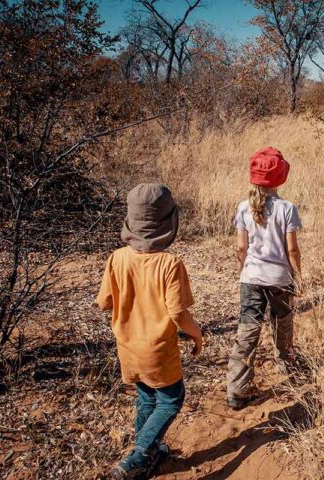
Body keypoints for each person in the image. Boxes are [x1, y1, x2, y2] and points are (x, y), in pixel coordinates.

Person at [97, 183, 203, 480]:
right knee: (171, 400)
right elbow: (178, 312)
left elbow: (105, 302)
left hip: (128, 346)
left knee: (146, 397)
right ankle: (137, 456)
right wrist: (196, 334)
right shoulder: (170, 264)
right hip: (158, 350)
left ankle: (149, 452)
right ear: (170, 222)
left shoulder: (116, 258)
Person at [227, 146, 302, 410]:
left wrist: (242, 271)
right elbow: (291, 248)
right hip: (280, 277)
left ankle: (236, 388)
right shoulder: (287, 208)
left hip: (251, 276)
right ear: (281, 176)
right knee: (282, 322)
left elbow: (240, 247)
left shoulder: (243, 207)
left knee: (248, 329)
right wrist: (298, 275)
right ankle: (286, 366)